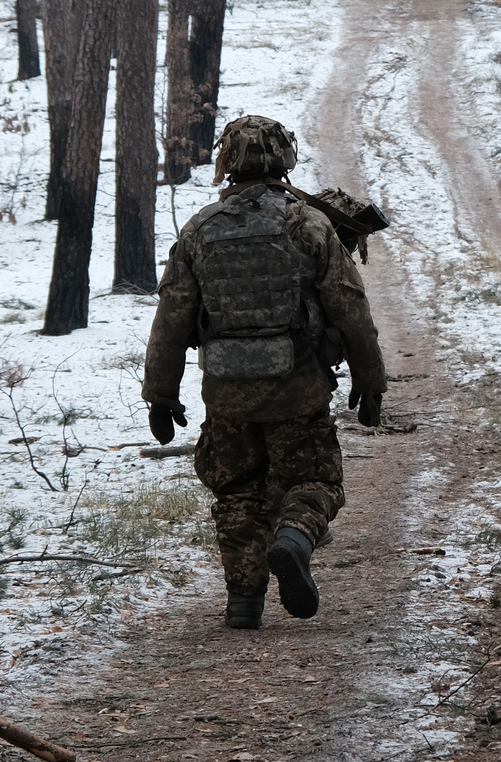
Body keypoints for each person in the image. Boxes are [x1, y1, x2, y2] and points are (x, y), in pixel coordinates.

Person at [142, 115, 387, 628]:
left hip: (226, 392)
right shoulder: (310, 224)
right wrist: (369, 378)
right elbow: (350, 307)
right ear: (285, 158)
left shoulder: (200, 230)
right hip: (298, 387)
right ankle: (294, 537)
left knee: (238, 490)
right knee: (314, 479)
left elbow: (172, 315)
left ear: (225, 162)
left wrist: (161, 393)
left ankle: (244, 601)